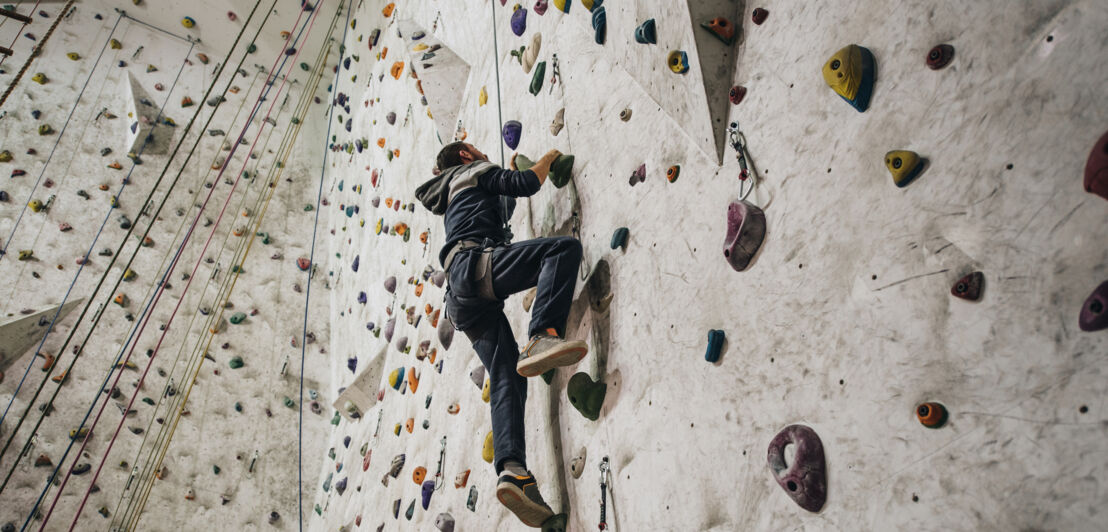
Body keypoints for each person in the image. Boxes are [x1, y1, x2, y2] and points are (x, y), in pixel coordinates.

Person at [416, 141, 588, 527]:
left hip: (461, 301)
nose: (480, 153)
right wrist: (546, 160)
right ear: (465, 156)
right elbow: (527, 183)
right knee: (561, 251)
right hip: (474, 266)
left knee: (507, 375)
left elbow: (501, 204)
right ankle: (542, 334)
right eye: (475, 150)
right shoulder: (474, 171)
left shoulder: (457, 189)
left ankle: (514, 471)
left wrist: (507, 173)